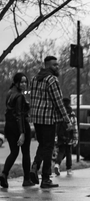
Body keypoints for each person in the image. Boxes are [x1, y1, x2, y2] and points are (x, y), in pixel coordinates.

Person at [29, 56, 71, 189]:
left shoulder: (35, 79)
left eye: (57, 65)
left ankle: (35, 166)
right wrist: (67, 120)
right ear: (47, 65)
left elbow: (33, 99)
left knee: (43, 145)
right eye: (54, 65)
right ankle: (45, 178)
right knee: (48, 148)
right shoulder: (52, 80)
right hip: (48, 119)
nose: (57, 67)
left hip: (36, 118)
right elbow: (58, 101)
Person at [0, 72, 36, 189]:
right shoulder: (19, 97)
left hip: (9, 126)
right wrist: (22, 133)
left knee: (14, 152)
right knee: (26, 153)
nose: (24, 84)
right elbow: (20, 115)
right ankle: (26, 179)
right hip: (20, 126)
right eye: (22, 82)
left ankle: (4, 174)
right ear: (16, 82)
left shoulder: (9, 94)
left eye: (26, 82)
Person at [54, 98, 78, 176]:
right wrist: (75, 138)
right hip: (69, 135)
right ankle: (69, 169)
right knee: (68, 152)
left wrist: (56, 137)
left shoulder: (59, 113)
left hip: (60, 135)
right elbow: (75, 126)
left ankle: (57, 164)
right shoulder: (71, 113)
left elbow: (55, 125)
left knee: (61, 151)